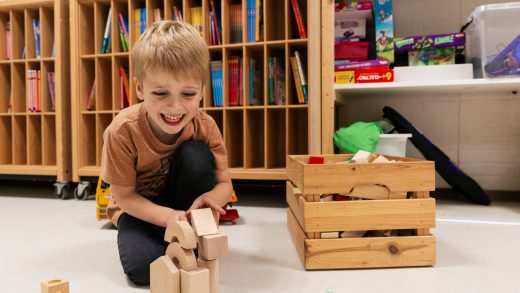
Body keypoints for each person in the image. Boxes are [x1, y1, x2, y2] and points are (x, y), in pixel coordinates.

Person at [100, 20, 232, 285]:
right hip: (138, 210)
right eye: (160, 93)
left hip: (183, 205)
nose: (175, 107)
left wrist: (209, 198)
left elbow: (225, 184)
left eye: (188, 94)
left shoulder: (204, 125)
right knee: (143, 272)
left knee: (195, 155)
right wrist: (169, 218)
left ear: (202, 92)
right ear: (139, 89)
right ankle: (175, 240)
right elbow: (125, 198)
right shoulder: (121, 131)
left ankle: (184, 238)